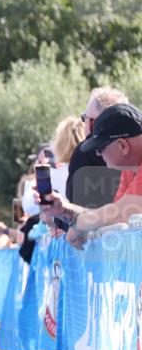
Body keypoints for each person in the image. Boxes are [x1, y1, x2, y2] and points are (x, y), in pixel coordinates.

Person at [40, 103, 142, 249]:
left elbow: (124, 213)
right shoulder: (130, 168)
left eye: (100, 148)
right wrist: (64, 210)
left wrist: (79, 225)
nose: (98, 154)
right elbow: (114, 215)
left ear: (122, 146)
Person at [65, 87, 128, 207]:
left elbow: (76, 205)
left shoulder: (83, 152)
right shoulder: (134, 150)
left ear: (94, 123)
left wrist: (59, 214)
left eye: (85, 118)